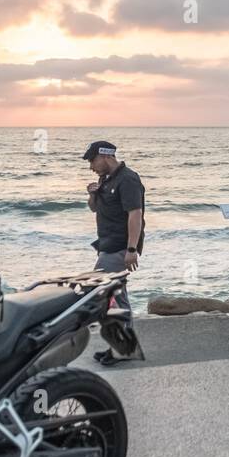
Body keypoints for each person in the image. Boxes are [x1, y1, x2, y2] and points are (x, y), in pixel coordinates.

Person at [83, 139, 145, 365]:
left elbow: (135, 215)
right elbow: (94, 208)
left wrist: (131, 249)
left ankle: (121, 348)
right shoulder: (105, 179)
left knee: (101, 292)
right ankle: (123, 348)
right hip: (106, 245)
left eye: (93, 160)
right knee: (117, 296)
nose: (91, 166)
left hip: (119, 246)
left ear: (106, 156)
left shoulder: (128, 180)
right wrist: (92, 194)